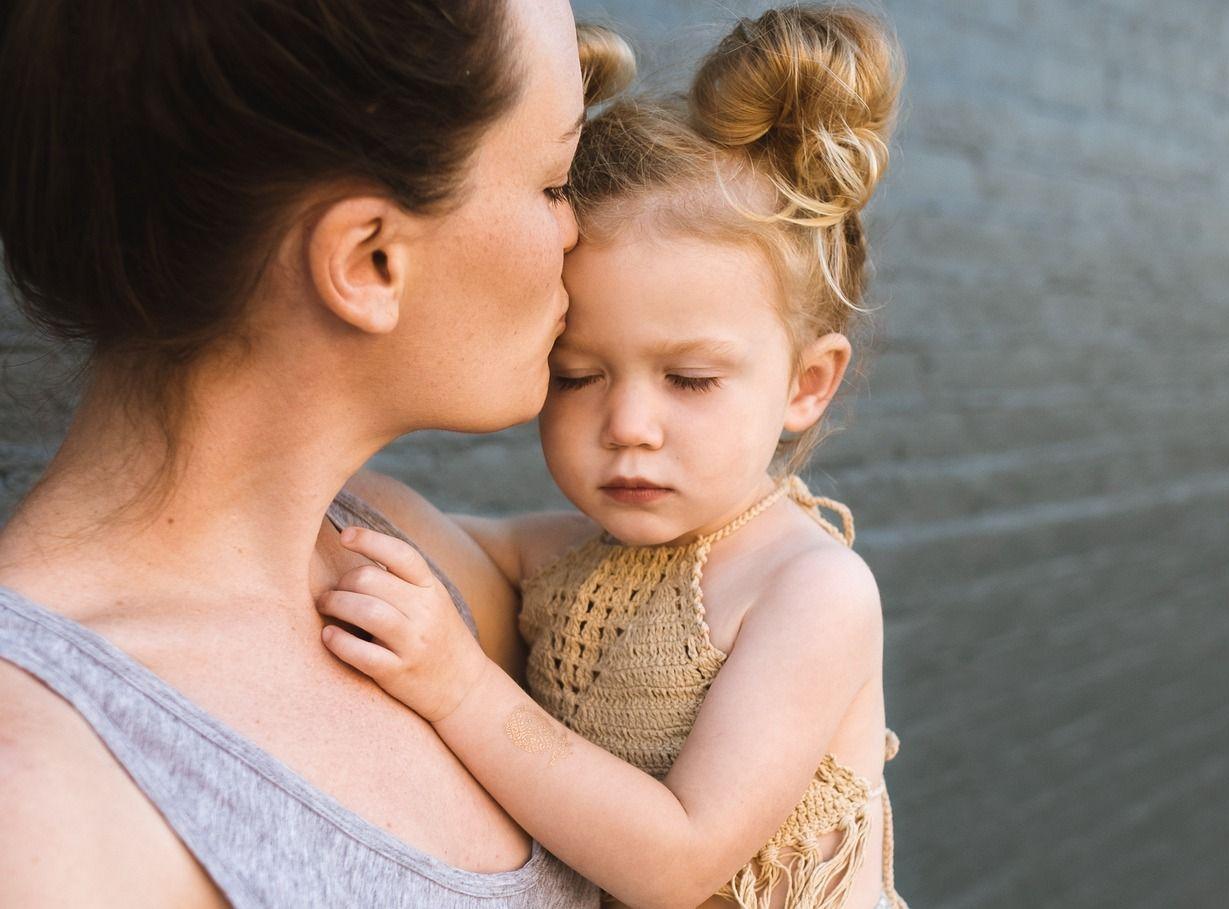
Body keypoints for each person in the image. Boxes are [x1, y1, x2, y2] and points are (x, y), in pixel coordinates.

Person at [0, 0, 608, 905]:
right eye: (556, 183)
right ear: (369, 261)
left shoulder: (408, 557)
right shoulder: (43, 793)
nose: (579, 231)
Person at [315, 7, 909, 908]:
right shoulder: (565, 559)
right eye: (578, 374)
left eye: (691, 379)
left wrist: (462, 688)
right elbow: (389, 522)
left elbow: (679, 859)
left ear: (806, 383)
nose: (629, 422)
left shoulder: (808, 590)